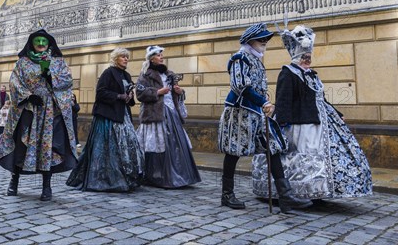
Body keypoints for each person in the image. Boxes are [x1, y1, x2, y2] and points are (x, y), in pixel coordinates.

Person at [252, 25, 373, 201]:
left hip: (317, 121)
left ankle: (317, 190)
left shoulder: (313, 75)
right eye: (304, 57)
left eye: (309, 57)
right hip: (298, 122)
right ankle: (294, 192)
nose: (307, 59)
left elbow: (320, 98)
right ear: (297, 56)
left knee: (321, 158)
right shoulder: (287, 74)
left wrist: (337, 113)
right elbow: (283, 100)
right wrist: (282, 125)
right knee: (298, 158)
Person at [218, 23, 312, 212]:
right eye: (261, 39)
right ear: (249, 41)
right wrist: (262, 101)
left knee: (273, 148)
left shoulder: (256, 59)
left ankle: (285, 197)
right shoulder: (240, 58)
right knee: (234, 152)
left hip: (258, 114)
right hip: (240, 112)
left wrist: (263, 101)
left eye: (266, 39)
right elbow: (240, 86)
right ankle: (227, 194)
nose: (264, 42)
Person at [0, 29, 77, 201]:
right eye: (37, 41)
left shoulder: (58, 62)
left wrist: (50, 77)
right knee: (21, 145)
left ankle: (46, 186)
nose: (41, 44)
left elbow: (67, 81)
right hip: (28, 109)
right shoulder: (23, 63)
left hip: (50, 111)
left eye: (44, 41)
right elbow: (14, 82)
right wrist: (27, 95)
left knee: (48, 147)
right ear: (31, 43)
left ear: (49, 44)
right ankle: (14, 181)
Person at [67, 47, 144, 192]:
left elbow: (129, 98)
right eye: (123, 57)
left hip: (122, 115)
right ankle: (107, 178)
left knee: (128, 146)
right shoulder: (108, 73)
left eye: (127, 57)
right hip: (108, 116)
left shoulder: (127, 75)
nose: (126, 59)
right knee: (108, 148)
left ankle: (126, 177)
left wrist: (129, 97)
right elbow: (101, 93)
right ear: (116, 59)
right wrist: (119, 96)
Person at [135, 45, 201, 189]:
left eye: (161, 55)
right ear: (152, 58)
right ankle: (157, 177)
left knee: (176, 145)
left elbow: (175, 94)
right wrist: (158, 92)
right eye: (159, 55)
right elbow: (139, 93)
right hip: (155, 114)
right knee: (158, 146)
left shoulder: (169, 74)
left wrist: (179, 91)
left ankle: (181, 176)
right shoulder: (145, 74)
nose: (161, 57)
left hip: (171, 113)